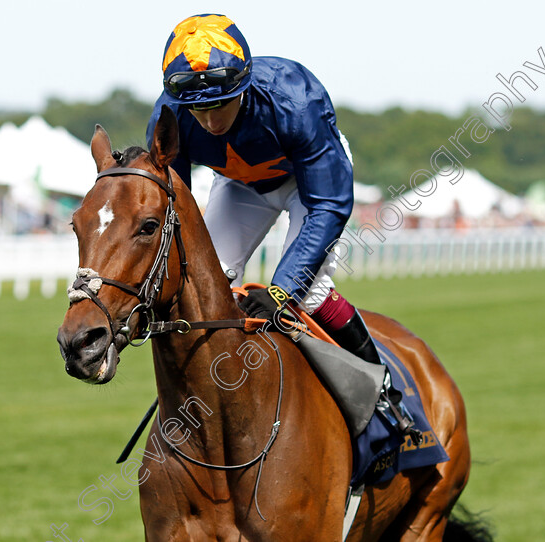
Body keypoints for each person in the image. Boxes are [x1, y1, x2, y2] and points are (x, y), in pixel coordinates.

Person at [146, 14, 414, 435]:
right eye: (199, 109)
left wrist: (283, 289)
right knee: (199, 286)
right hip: (240, 185)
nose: (211, 123)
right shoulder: (169, 114)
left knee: (307, 296)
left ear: (246, 87)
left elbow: (328, 205)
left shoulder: (296, 102)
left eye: (221, 104)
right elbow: (171, 205)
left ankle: (381, 389)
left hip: (310, 185)